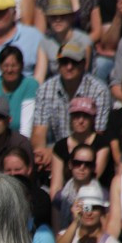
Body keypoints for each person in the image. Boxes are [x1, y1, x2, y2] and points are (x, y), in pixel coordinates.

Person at [32, 42, 111, 171]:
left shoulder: (99, 90)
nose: (69, 67)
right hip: (55, 153)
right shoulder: (45, 89)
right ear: (58, 65)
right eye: (64, 62)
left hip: (86, 155)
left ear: (83, 64)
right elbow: (39, 131)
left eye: (74, 62)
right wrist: (42, 154)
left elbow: (98, 134)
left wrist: (58, 153)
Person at [34, 0, 93, 83]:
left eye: (63, 16)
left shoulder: (84, 41)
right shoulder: (45, 42)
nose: (58, 20)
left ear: (71, 17)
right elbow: (39, 77)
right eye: (53, 17)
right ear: (48, 19)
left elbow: (84, 74)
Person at [52, 143, 102, 231]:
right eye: (77, 163)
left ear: (93, 167)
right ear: (70, 164)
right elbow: (57, 231)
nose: (82, 167)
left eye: (88, 164)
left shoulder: (102, 195)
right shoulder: (60, 197)